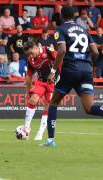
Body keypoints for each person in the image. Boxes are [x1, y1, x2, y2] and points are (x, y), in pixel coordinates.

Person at [41, 6, 99, 147]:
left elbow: (61, 50)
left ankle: (50, 140)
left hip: (70, 71)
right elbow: (95, 52)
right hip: (86, 71)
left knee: (53, 103)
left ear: (61, 16)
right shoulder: (84, 30)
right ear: (74, 15)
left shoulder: (60, 29)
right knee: (89, 108)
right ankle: (50, 140)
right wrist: (89, 65)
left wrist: (53, 72)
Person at [23, 42, 57, 140]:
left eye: (31, 53)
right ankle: (26, 127)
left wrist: (57, 75)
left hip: (52, 83)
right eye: (28, 54)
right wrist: (28, 91)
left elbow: (59, 60)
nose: (30, 55)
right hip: (41, 81)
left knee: (47, 107)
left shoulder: (48, 50)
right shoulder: (30, 60)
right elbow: (29, 76)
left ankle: (40, 133)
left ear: (35, 48)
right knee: (32, 100)